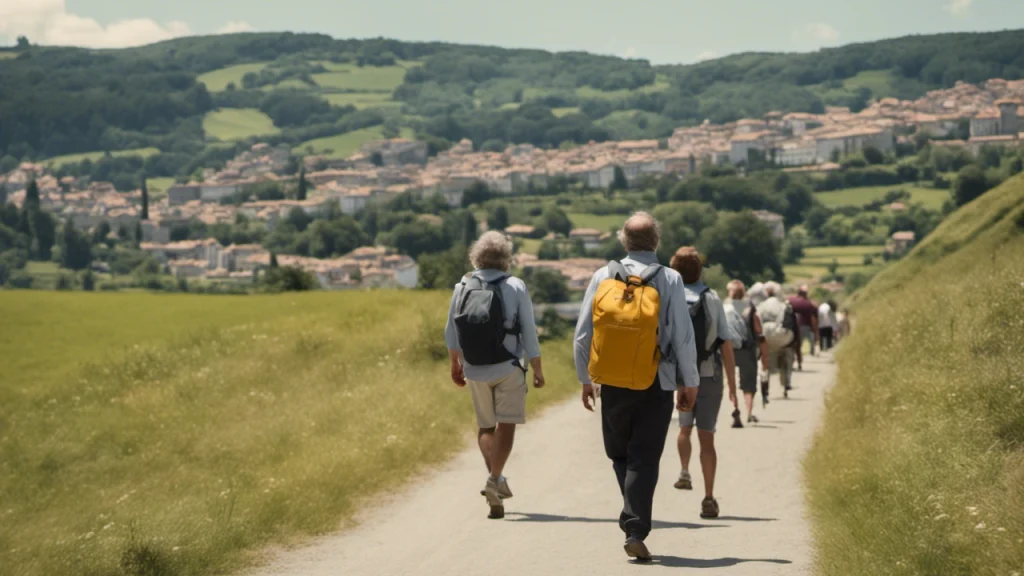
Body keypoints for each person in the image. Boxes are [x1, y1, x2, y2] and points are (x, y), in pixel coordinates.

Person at [574, 212, 699, 562]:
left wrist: (586, 378)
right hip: (655, 380)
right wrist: (689, 382)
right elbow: (682, 337)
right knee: (644, 457)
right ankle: (634, 527)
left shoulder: (603, 275)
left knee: (620, 455)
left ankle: (633, 520)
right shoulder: (670, 279)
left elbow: (583, 334)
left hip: (611, 381)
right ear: (656, 241)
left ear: (623, 240)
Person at [445, 231, 545, 520]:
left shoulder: (461, 285)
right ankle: (495, 479)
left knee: (486, 427)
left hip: (474, 368)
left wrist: (455, 363)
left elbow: (451, 332)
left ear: (476, 256)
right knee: (507, 425)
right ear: (506, 258)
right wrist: (537, 369)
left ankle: (496, 482)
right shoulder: (515, 285)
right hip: (508, 367)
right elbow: (528, 331)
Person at [670, 247, 737, 521]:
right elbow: (726, 344)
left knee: (684, 428)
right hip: (708, 375)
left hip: (679, 377)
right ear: (700, 270)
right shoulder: (712, 298)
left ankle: (684, 470)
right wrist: (732, 383)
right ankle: (708, 498)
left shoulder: (669, 298)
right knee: (707, 438)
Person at [724, 280, 770, 424]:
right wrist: (764, 356)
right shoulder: (750, 308)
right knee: (749, 384)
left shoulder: (723, 307)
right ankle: (748, 413)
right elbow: (759, 332)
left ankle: (735, 409)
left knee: (731, 381)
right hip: (747, 350)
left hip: (728, 348)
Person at [757, 282, 797, 398]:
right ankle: (786, 385)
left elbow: (755, 324)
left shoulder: (760, 306)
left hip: (766, 337)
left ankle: (765, 385)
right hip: (782, 337)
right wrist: (793, 342)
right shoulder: (785, 305)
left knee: (766, 363)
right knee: (786, 362)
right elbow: (792, 324)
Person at [787, 285, 818, 369]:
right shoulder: (808, 304)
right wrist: (815, 331)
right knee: (799, 346)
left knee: (792, 346)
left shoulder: (790, 300)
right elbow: (814, 317)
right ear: (805, 294)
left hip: (791, 326)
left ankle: (791, 363)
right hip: (804, 326)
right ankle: (799, 363)